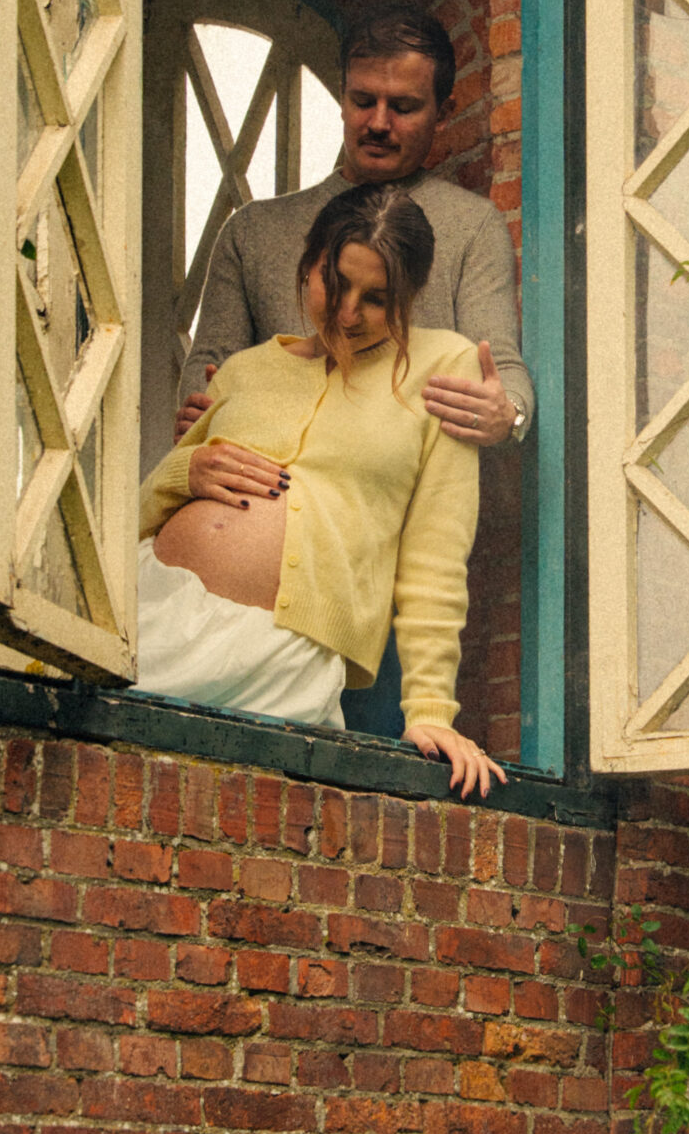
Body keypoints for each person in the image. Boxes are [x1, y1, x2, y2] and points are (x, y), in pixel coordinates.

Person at [137, 184, 507, 801]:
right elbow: (139, 515)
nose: (347, 312)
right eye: (334, 283)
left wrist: (431, 711)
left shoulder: (445, 368)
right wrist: (188, 471)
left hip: (276, 651)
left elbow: (435, 559)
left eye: (376, 299)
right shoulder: (244, 370)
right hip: (153, 612)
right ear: (307, 263)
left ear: (408, 301)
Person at [175, 4, 532, 460]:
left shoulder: (472, 226)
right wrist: (197, 424)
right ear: (342, 97)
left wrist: (509, 414)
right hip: (272, 491)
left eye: (403, 107)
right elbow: (207, 373)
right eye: (363, 101)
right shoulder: (253, 231)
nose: (378, 123)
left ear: (444, 114)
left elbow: (500, 367)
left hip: (407, 493)